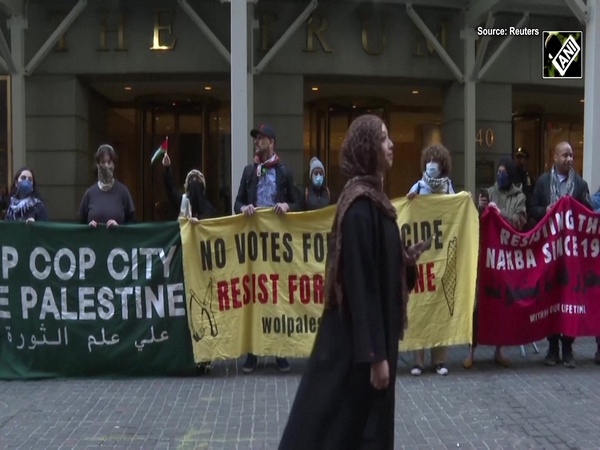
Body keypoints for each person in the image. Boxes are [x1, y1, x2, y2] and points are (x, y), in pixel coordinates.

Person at [279, 114, 423, 450]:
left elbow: (376, 264)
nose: (391, 145)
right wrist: (374, 355)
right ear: (368, 148)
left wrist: (404, 262)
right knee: (344, 429)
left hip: (368, 344)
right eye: (384, 139)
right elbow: (361, 284)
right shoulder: (359, 206)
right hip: (356, 350)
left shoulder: (376, 202)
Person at [234, 123, 302, 374]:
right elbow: (237, 202)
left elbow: (298, 202)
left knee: (277, 294)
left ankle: (279, 351)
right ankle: (252, 353)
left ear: (271, 142)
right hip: (254, 245)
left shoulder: (284, 172)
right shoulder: (249, 172)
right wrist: (243, 209)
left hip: (277, 245)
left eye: (260, 138)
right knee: (253, 295)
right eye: (256, 139)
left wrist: (287, 206)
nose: (256, 142)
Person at [530, 141, 592, 368]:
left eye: (571, 156)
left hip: (571, 255)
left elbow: (586, 214)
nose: (569, 159)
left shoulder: (580, 184)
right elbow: (532, 209)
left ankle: (568, 348)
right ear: (554, 158)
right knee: (551, 298)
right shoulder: (543, 182)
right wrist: (544, 211)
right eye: (565, 155)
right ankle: (552, 347)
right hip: (550, 253)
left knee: (569, 298)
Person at [463, 156, 526, 369]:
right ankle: (472, 350)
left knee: (502, 302)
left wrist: (501, 215)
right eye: (498, 171)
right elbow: (475, 222)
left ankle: (499, 350)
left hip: (506, 258)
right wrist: (480, 208)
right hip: (485, 257)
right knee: (478, 303)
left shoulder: (519, 197)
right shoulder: (489, 192)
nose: (501, 175)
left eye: (504, 171)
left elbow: (519, 221)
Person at [406, 143, 454, 376]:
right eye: (429, 159)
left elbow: (456, 212)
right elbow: (408, 213)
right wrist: (411, 200)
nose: (431, 164)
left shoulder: (449, 188)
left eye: (436, 160)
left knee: (439, 308)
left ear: (442, 164)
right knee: (420, 307)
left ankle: (440, 361)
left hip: (442, 256)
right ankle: (418, 361)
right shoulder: (418, 186)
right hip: (423, 256)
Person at [79, 144, 135, 227]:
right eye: (102, 162)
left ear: (113, 165)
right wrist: (88, 226)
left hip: (117, 239)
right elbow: (81, 223)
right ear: (97, 165)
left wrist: (120, 227)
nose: (106, 166)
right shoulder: (89, 193)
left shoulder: (123, 192)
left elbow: (132, 223)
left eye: (109, 162)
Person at [162, 153, 217, 222]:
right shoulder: (182, 202)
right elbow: (171, 190)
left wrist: (199, 220)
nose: (194, 181)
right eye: (191, 180)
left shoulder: (209, 209)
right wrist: (167, 169)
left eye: (198, 180)